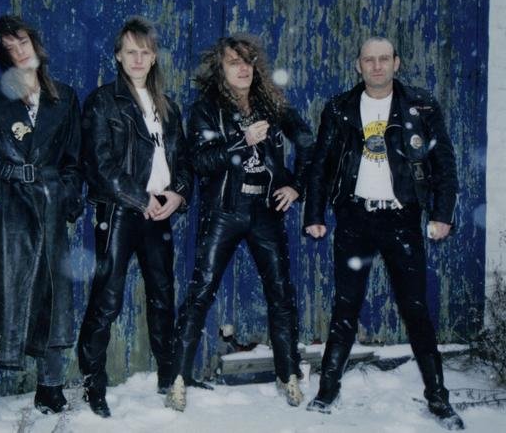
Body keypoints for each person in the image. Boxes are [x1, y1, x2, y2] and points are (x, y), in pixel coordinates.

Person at [303, 37, 464, 430]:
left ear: (396, 62)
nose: (376, 66)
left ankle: (438, 398)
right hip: (355, 219)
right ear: (358, 65)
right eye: (368, 60)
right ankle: (327, 390)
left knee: (416, 310)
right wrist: (314, 213)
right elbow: (321, 164)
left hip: (402, 220)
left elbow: (444, 163)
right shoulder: (340, 108)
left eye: (383, 59)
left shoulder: (421, 106)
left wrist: (442, 214)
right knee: (345, 307)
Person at [165, 34, 313, 411]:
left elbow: (308, 143)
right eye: (234, 62)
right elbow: (200, 161)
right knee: (201, 292)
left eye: (248, 61)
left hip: (265, 210)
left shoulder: (272, 104)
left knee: (281, 294)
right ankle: (177, 378)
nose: (243, 68)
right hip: (224, 211)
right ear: (220, 68)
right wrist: (241, 140)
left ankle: (289, 375)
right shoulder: (205, 109)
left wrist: (296, 186)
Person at [0, 15, 83, 432]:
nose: (19, 51)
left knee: (53, 299)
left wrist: (65, 198)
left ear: (36, 43)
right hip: (3, 217)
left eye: (22, 41)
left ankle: (50, 387)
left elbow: (74, 162)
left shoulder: (65, 98)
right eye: (9, 47)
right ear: (2, 55)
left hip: (48, 209)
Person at [77, 16, 193, 418]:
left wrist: (178, 194)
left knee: (163, 297)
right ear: (118, 56)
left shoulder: (168, 106)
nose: (138, 59)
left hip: (160, 211)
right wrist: (139, 198)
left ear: (154, 57)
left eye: (145, 52)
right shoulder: (103, 102)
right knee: (107, 299)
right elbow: (99, 166)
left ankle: (168, 376)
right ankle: (93, 384)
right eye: (131, 52)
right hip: (120, 211)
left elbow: (184, 162)